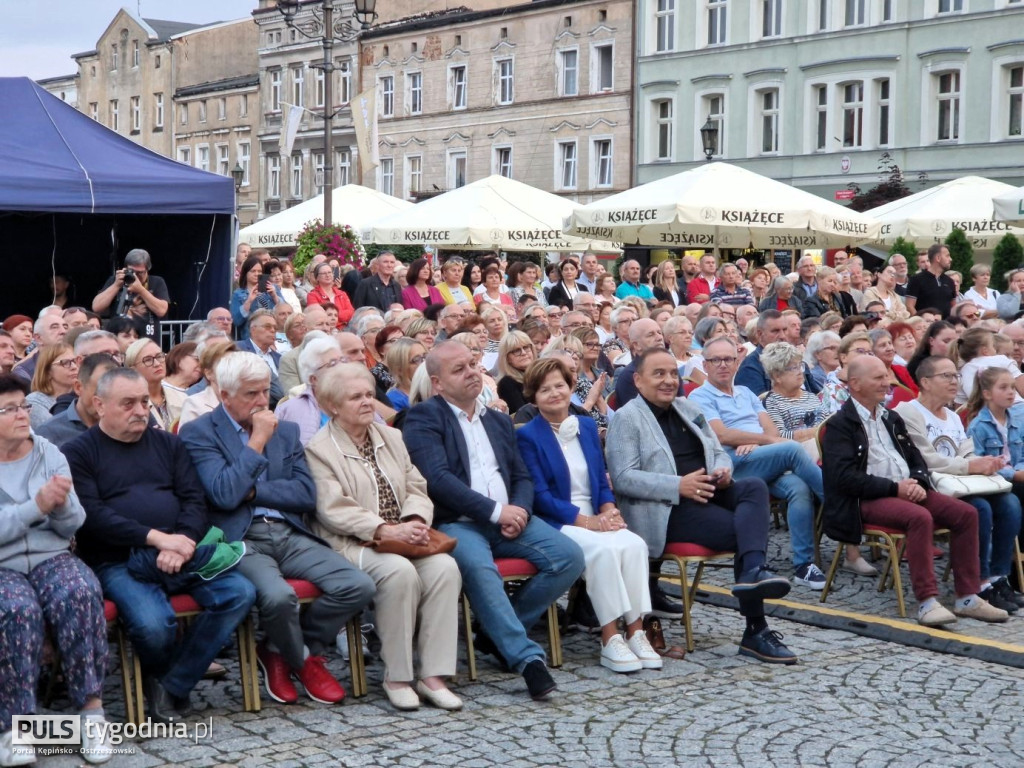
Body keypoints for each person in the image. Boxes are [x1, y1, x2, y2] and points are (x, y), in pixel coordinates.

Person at [62, 368, 257, 722]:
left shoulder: (169, 443)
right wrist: (157, 538)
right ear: (99, 405)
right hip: (118, 559)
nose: (140, 410)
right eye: (128, 403)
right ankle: (167, 679)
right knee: (153, 625)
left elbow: (194, 500)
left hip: (182, 552)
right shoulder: (78, 452)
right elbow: (93, 516)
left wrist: (180, 542)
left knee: (239, 593)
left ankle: (171, 684)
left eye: (144, 401)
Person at [179, 353, 374, 706]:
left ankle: (279, 651)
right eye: (250, 394)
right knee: (278, 597)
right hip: (240, 538)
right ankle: (306, 664)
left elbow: (305, 493)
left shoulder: (286, 431)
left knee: (357, 585)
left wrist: (252, 491)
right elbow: (223, 494)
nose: (261, 402)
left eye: (265, 391)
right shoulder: (199, 432)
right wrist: (256, 442)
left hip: (288, 530)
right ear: (224, 396)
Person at [403, 342, 585, 700]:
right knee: (479, 568)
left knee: (568, 557)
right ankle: (527, 659)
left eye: (473, 364)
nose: (472, 372)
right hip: (457, 521)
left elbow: (521, 475)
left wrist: (518, 510)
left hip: (509, 519)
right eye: (460, 369)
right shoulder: (424, 417)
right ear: (437, 383)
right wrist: (495, 511)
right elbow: (437, 479)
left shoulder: (498, 419)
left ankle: (494, 632)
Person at [605, 348, 797, 664]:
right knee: (745, 534)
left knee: (753, 486)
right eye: (659, 374)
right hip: (667, 509)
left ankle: (752, 572)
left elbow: (717, 450)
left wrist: (723, 470)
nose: (669, 381)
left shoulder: (687, 407)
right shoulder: (627, 418)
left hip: (709, 489)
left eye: (672, 373)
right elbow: (624, 478)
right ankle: (756, 629)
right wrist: (677, 486)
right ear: (638, 381)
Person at [303, 364, 462, 711]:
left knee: (445, 568)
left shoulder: (391, 437)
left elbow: (417, 484)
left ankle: (433, 676)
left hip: (405, 534)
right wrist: (384, 529)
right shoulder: (319, 449)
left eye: (369, 395)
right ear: (332, 406)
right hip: (353, 542)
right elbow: (332, 508)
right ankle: (398, 676)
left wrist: (416, 519)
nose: (367, 402)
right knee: (399, 573)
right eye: (355, 397)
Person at [821, 355, 1007, 626]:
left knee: (966, 513)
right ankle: (927, 601)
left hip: (904, 488)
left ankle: (967, 596)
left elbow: (916, 459)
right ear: (855, 384)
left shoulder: (890, 417)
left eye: (886, 376)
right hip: (866, 498)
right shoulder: (841, 425)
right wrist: (895, 488)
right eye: (878, 378)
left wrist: (917, 483)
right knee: (919, 517)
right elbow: (844, 478)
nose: (886, 382)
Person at [517, 358, 660, 672]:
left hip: (596, 514)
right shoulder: (527, 435)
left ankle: (636, 630)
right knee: (602, 550)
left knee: (633, 544)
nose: (554, 393)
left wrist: (610, 511)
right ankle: (610, 637)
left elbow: (599, 478)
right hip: (561, 520)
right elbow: (540, 496)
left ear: (570, 388)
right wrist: (587, 522)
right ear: (533, 396)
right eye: (545, 389)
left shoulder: (585, 426)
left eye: (559, 385)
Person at [0, 374, 114, 766]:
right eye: (10, 408)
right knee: (16, 609)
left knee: (79, 591)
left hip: (52, 555)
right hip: (3, 565)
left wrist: (61, 505)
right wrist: (37, 507)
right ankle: (15, 726)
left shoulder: (47, 451)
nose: (22, 414)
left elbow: (72, 524)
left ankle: (91, 713)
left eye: (23, 405)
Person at [689, 337, 828, 590]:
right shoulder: (700, 396)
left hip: (761, 457)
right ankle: (838, 506)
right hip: (730, 464)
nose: (723, 365)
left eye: (729, 359)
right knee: (793, 449)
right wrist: (763, 440)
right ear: (705, 365)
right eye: (715, 360)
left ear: (737, 362)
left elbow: (772, 430)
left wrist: (759, 443)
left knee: (798, 488)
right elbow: (721, 435)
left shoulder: (746, 393)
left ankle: (803, 565)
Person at [896, 357, 1023, 613]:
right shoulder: (908, 412)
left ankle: (999, 576)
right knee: (980, 509)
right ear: (925, 382)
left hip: (962, 482)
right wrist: (969, 466)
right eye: (946, 376)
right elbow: (925, 458)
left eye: (955, 375)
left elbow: (966, 451)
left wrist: (984, 462)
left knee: (1010, 503)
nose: (954, 381)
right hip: (932, 486)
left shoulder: (953, 416)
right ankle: (980, 581)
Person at [735, 310, 819, 396]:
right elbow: (759, 404)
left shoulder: (799, 362)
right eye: (775, 331)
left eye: (785, 330)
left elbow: (817, 395)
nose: (782, 336)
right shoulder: (750, 367)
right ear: (760, 334)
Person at [92, 249, 169, 341]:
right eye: (132, 271)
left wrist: (141, 290)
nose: (135, 276)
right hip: (120, 339)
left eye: (140, 273)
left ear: (147, 270)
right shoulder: (115, 281)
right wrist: (116, 285)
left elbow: (161, 310)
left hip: (147, 339)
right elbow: (96, 307)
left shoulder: (157, 282)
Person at [178, 340, 239, 429]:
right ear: (209, 373)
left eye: (235, 364)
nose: (231, 369)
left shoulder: (247, 400)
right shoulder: (194, 404)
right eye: (224, 365)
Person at [25, 342, 78, 430]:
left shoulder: (81, 397)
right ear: (47, 371)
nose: (74, 367)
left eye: (75, 361)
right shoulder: (34, 402)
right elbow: (56, 432)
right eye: (65, 362)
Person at [905, 244, 957, 318]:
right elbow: (909, 306)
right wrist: (922, 323)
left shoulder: (950, 281)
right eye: (947, 256)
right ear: (938, 258)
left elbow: (954, 307)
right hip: (926, 327)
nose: (950, 259)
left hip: (946, 326)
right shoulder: (916, 280)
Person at [496, 330, 535, 416]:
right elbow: (523, 415)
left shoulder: (543, 375)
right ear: (507, 358)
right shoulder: (507, 383)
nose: (524, 353)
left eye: (526, 347)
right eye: (517, 350)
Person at [306, 263, 355, 330]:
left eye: (329, 272)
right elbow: (318, 316)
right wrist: (340, 315)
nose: (327, 275)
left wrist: (331, 314)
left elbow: (351, 313)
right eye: (324, 273)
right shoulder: (312, 295)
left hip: (344, 329)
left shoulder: (342, 294)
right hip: (324, 330)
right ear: (317, 277)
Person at [385, 338, 427, 412]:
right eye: (417, 359)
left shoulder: (432, 388)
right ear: (399, 369)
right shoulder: (394, 400)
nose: (424, 362)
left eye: (425, 356)